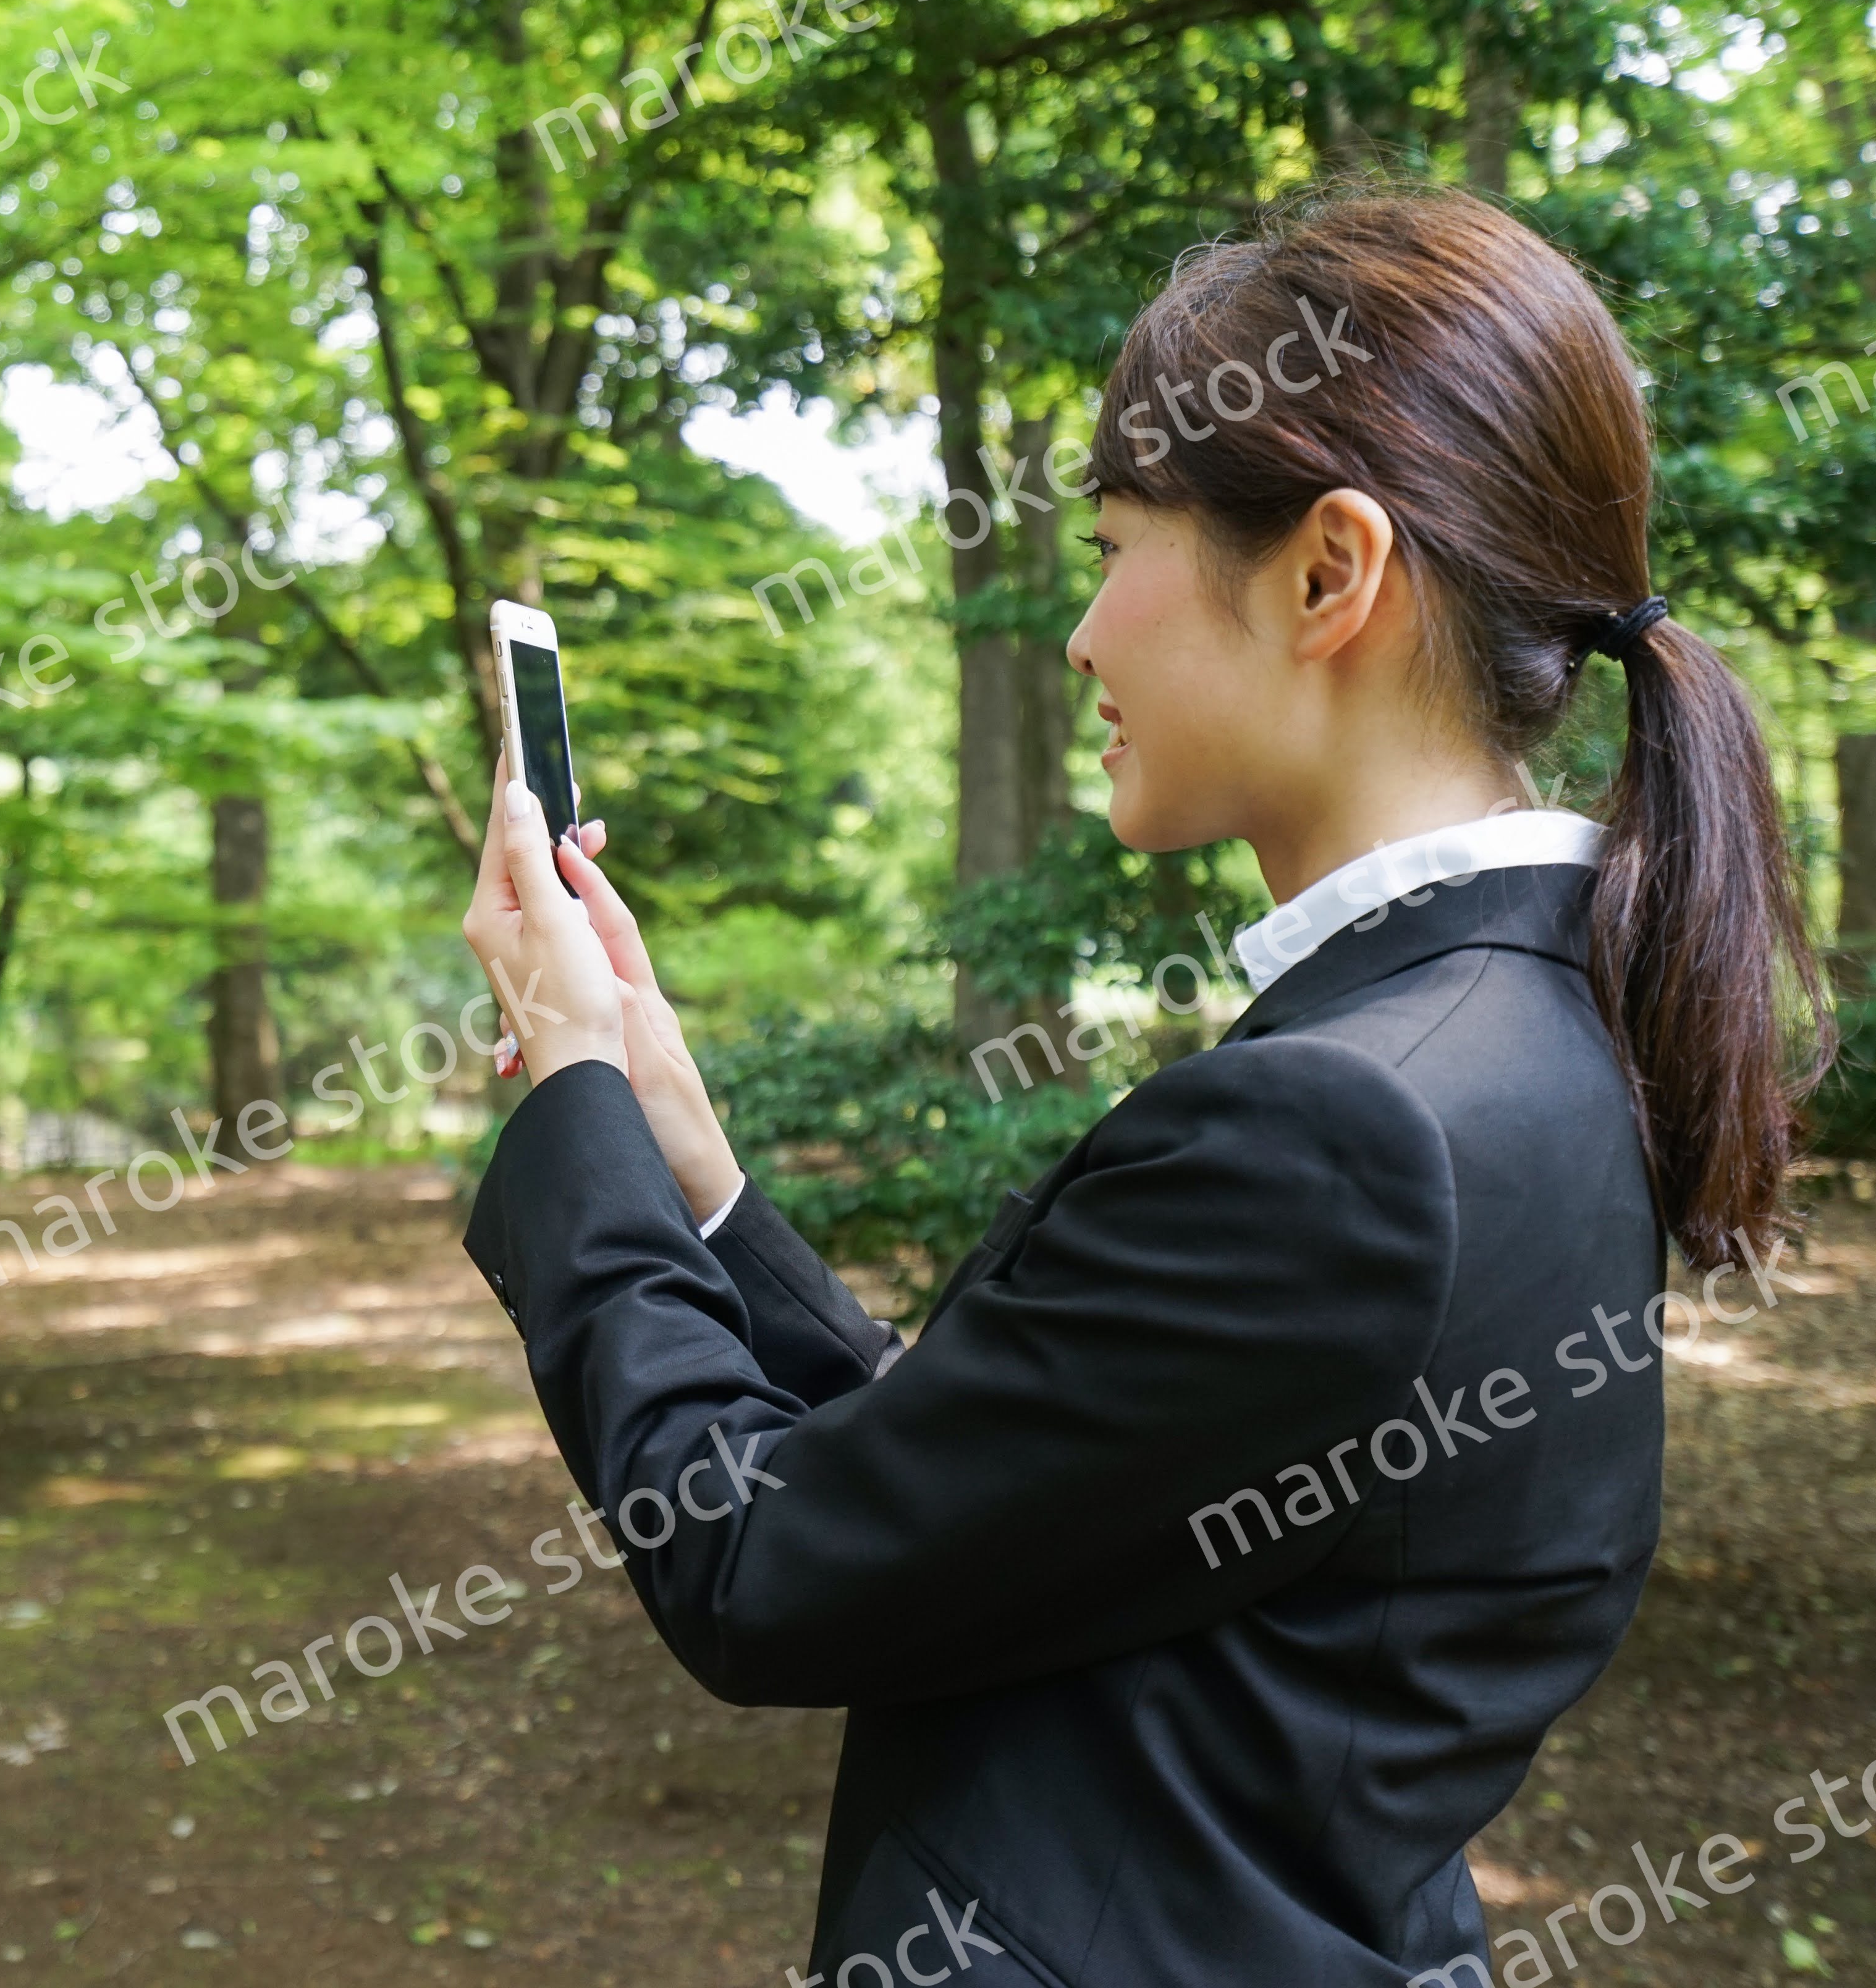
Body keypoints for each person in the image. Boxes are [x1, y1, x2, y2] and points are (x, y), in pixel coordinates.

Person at [458, 187, 1826, 1988]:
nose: (1085, 635)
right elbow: (1010, 1482)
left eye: (1118, 545)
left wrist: (566, 1094)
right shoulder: (1531, 1035)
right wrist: (685, 1167)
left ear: (1330, 571)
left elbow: (760, 1565)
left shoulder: (1340, 1127)